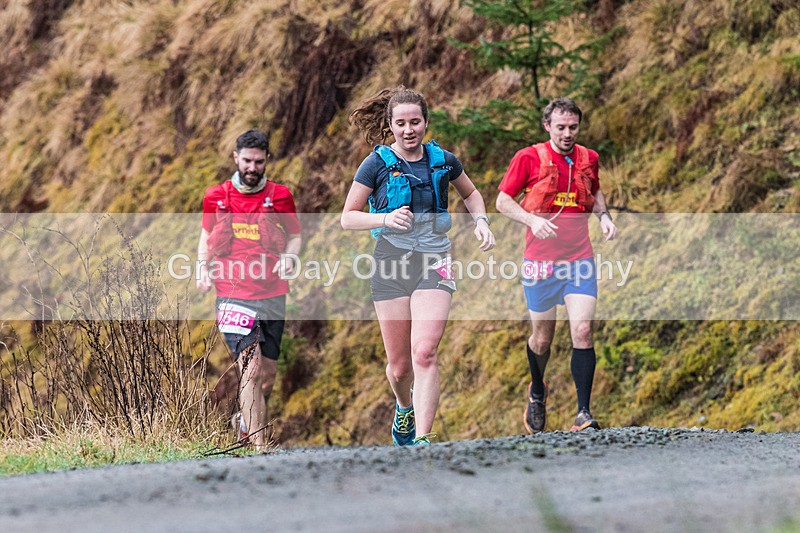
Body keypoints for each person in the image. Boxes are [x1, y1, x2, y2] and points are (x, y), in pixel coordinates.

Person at [341, 86, 495, 446]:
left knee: (424, 351)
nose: (408, 130)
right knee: (399, 367)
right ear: (390, 125)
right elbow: (348, 217)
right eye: (401, 123)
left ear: (426, 122)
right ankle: (403, 405)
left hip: (435, 260)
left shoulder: (443, 160)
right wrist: (384, 219)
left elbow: (470, 194)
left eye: (415, 122)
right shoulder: (376, 164)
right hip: (391, 265)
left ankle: (423, 439)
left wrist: (482, 221)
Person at [495, 97, 617, 433]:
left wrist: (604, 217)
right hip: (539, 263)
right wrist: (531, 222)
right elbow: (502, 200)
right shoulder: (528, 158)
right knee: (542, 339)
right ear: (547, 126)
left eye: (573, 127)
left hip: (579, 258)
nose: (567, 133)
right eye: (560, 127)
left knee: (582, 330)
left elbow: (594, 191)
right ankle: (537, 390)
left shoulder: (588, 158)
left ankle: (583, 413)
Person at [197, 129, 302, 450]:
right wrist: (202, 267)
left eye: (258, 161)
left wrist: (289, 257)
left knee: (266, 375)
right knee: (251, 367)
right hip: (231, 293)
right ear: (235, 158)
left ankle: (245, 420)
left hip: (271, 292)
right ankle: (260, 447)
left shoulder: (281, 195)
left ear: (266, 160)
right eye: (246, 161)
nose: (252, 167)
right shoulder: (216, 196)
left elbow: (296, 235)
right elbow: (206, 235)